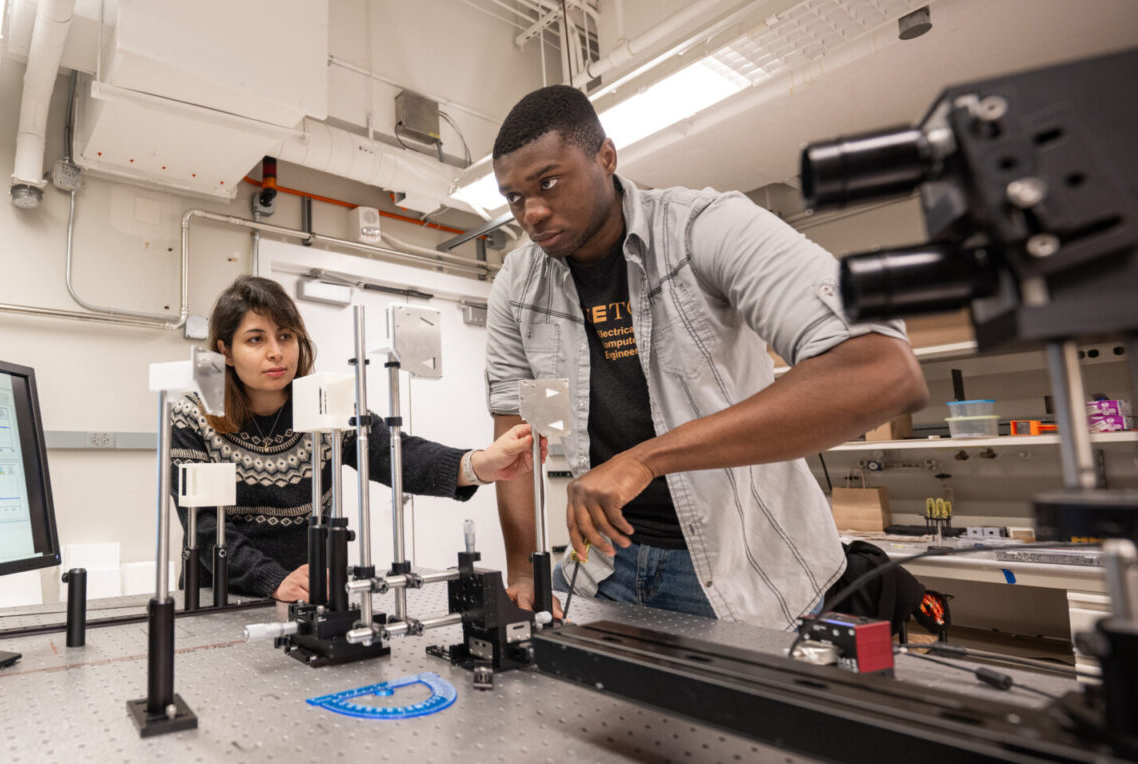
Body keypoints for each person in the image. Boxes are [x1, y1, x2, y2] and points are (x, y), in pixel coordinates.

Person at [484, 85, 928, 630]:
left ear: (606, 157)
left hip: (743, 570)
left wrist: (644, 459)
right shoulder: (520, 285)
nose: (531, 212)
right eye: (513, 198)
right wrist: (523, 571)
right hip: (601, 569)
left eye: (547, 182)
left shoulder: (703, 229)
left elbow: (881, 368)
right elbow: (517, 443)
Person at [172, 275, 541, 602]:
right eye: (256, 339)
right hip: (218, 597)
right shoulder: (193, 415)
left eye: (285, 336)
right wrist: (272, 579)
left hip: (312, 591)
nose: (276, 352)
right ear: (226, 352)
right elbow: (203, 525)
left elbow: (394, 454)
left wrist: (480, 464)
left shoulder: (323, 405)